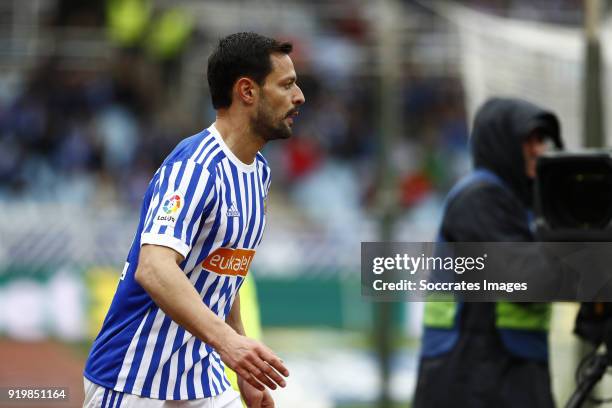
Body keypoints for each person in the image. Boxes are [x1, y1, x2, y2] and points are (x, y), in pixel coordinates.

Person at [83, 32, 305, 408]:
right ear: (247, 92)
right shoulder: (195, 168)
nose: (299, 96)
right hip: (135, 380)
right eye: (286, 85)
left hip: (199, 378)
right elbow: (153, 269)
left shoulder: (259, 173)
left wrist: (240, 367)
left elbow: (224, 270)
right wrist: (229, 343)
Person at [413, 97, 564, 408]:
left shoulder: (519, 203)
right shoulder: (479, 198)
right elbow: (526, 281)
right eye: (528, 140)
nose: (539, 149)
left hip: (506, 369)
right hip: (473, 376)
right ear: (502, 142)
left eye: (541, 140)